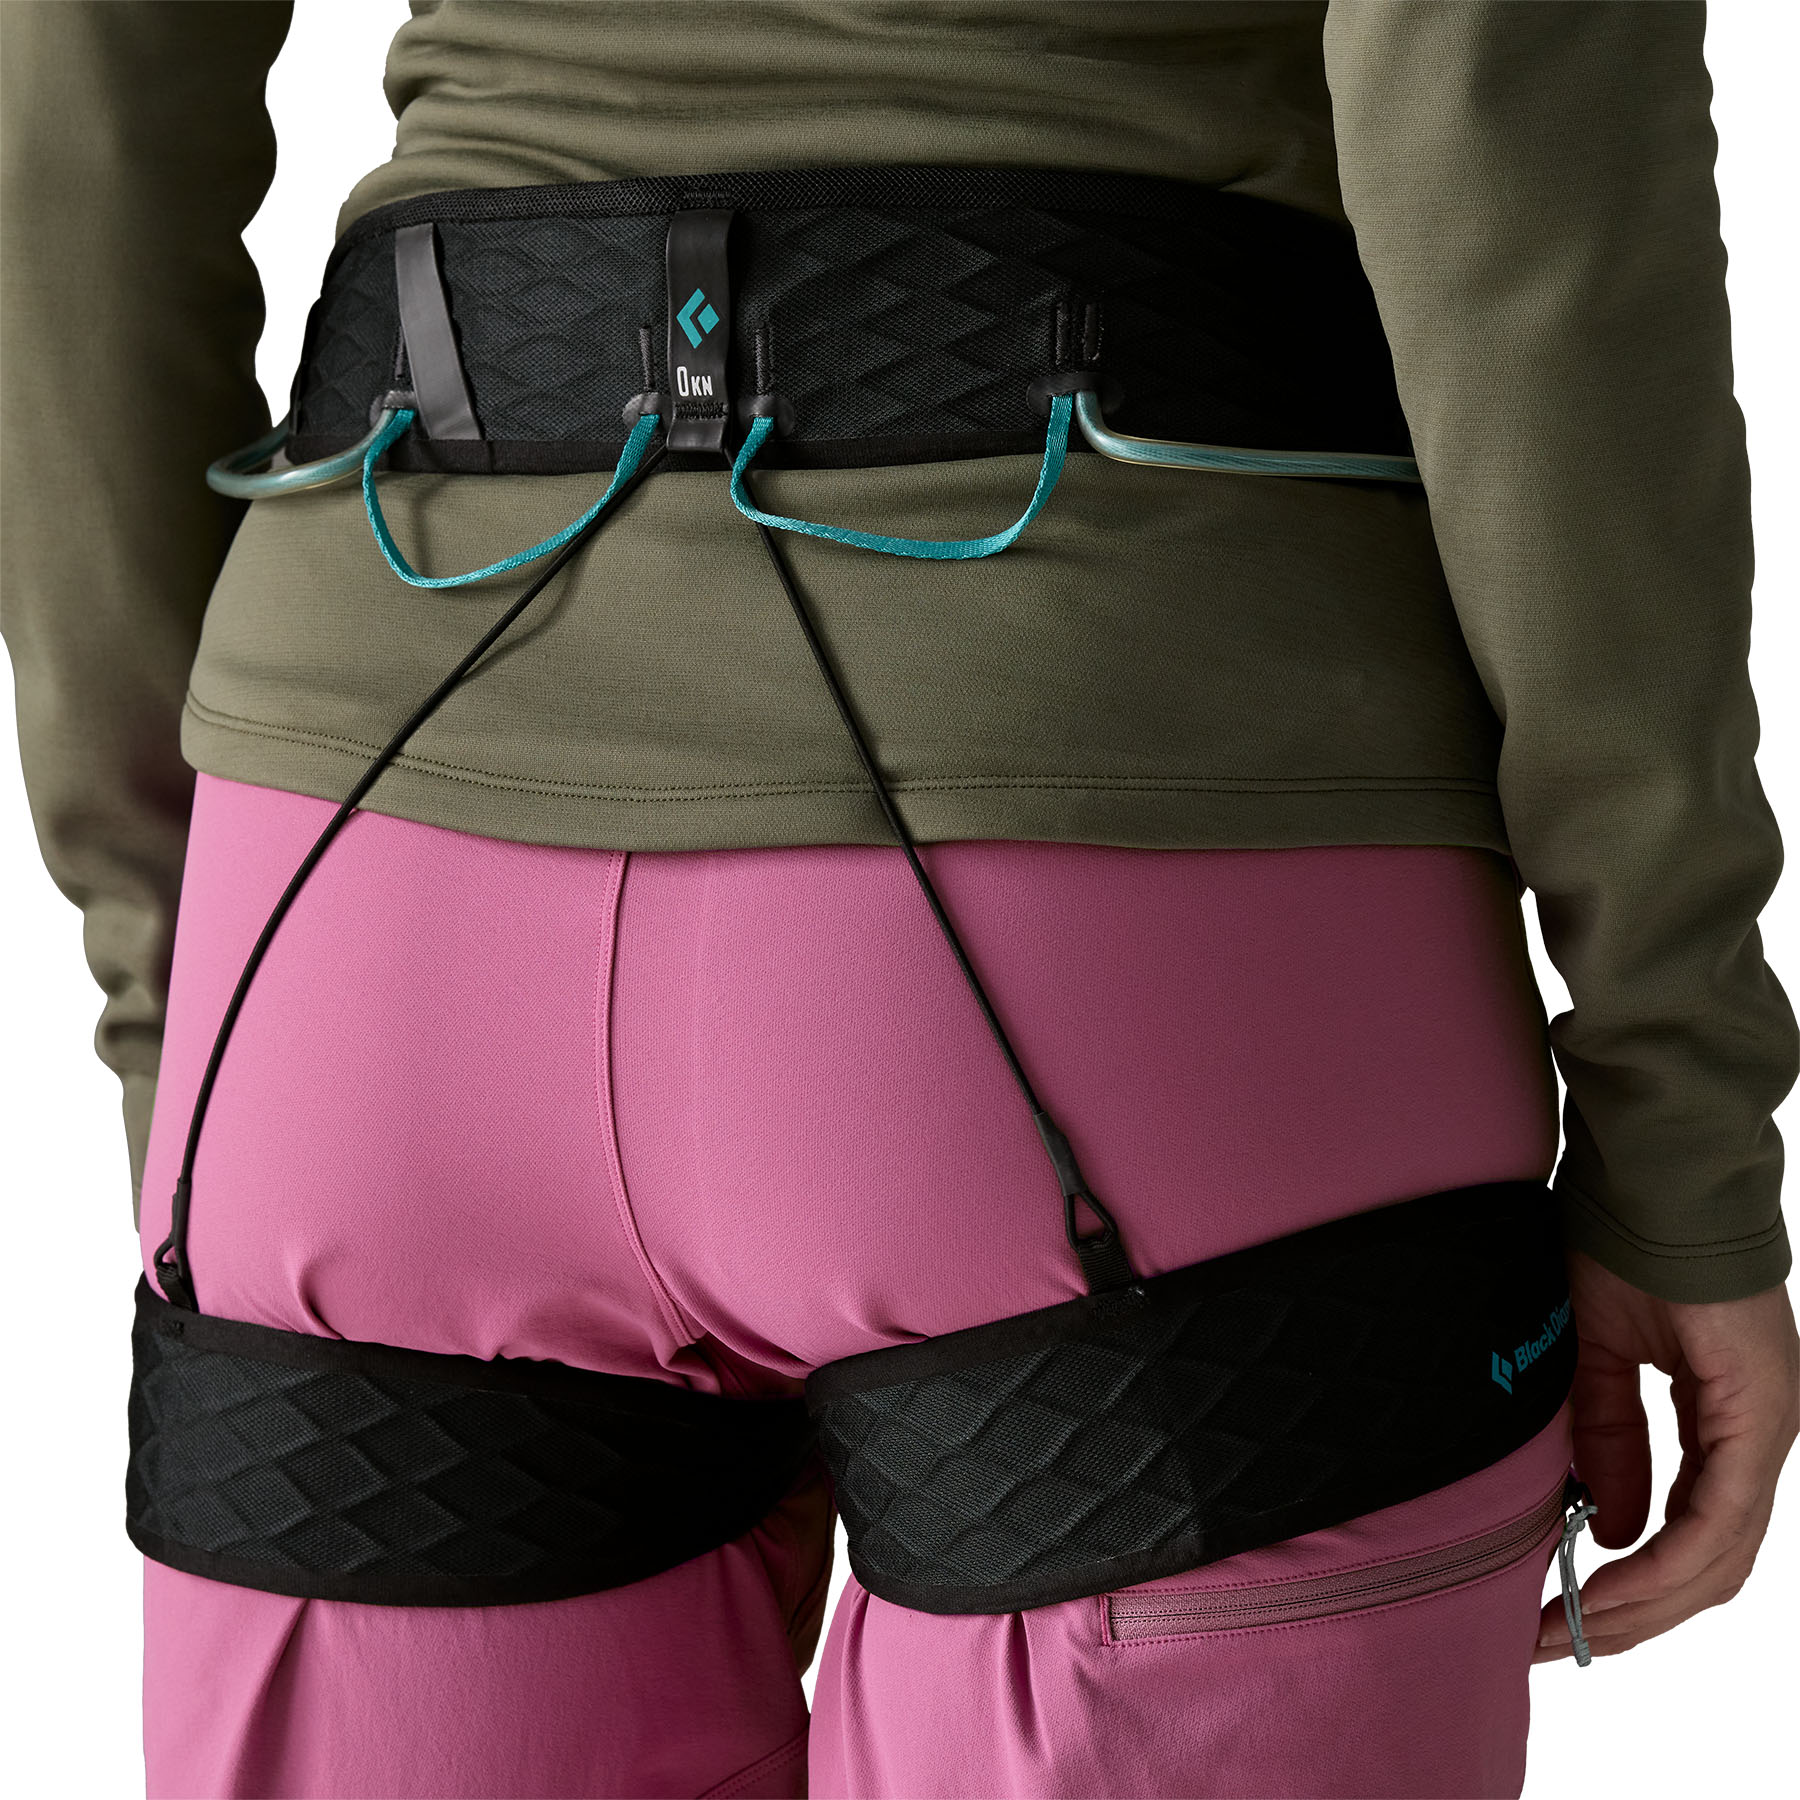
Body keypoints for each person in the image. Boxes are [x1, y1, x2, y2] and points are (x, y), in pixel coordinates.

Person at [3, 3, 1796, 1797]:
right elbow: (1511, 156)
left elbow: (67, 121)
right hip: (1129, 878)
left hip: (356, 941)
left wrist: (176, 986)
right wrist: (1679, 1116)